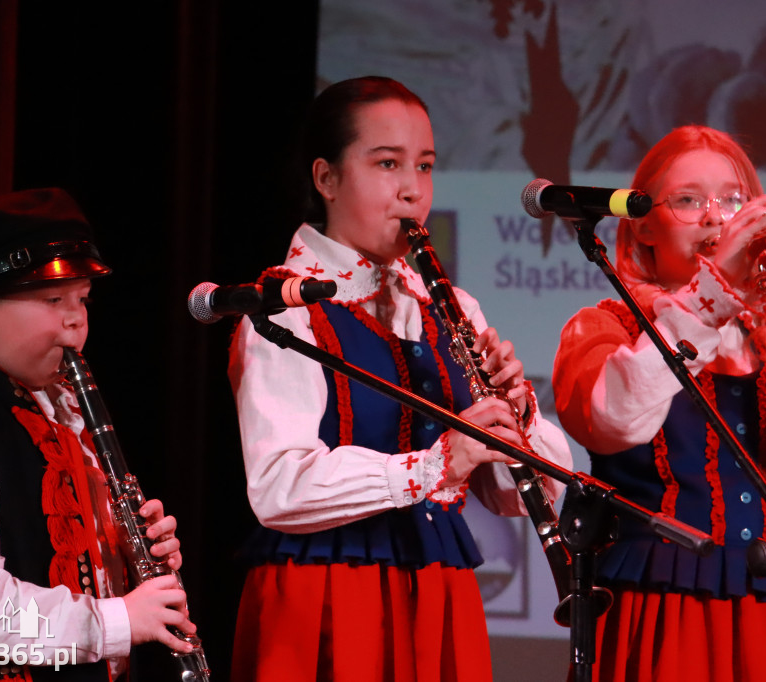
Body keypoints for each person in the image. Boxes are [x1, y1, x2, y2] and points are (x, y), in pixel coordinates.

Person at [227, 75, 573, 681]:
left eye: (425, 166)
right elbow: (278, 485)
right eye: (387, 164)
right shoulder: (282, 310)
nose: (413, 190)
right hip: (330, 598)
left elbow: (525, 496)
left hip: (437, 594)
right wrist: (439, 463)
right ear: (326, 178)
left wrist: (517, 416)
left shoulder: (452, 307)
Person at [552, 125, 766, 681]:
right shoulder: (606, 327)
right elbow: (612, 421)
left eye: (732, 199)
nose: (713, 216)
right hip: (662, 609)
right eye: (687, 200)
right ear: (646, 226)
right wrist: (710, 298)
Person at [0, 188, 196, 681]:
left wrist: (127, 555)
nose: (76, 318)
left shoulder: (67, 411)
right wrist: (117, 621)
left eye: (82, 300)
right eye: (53, 299)